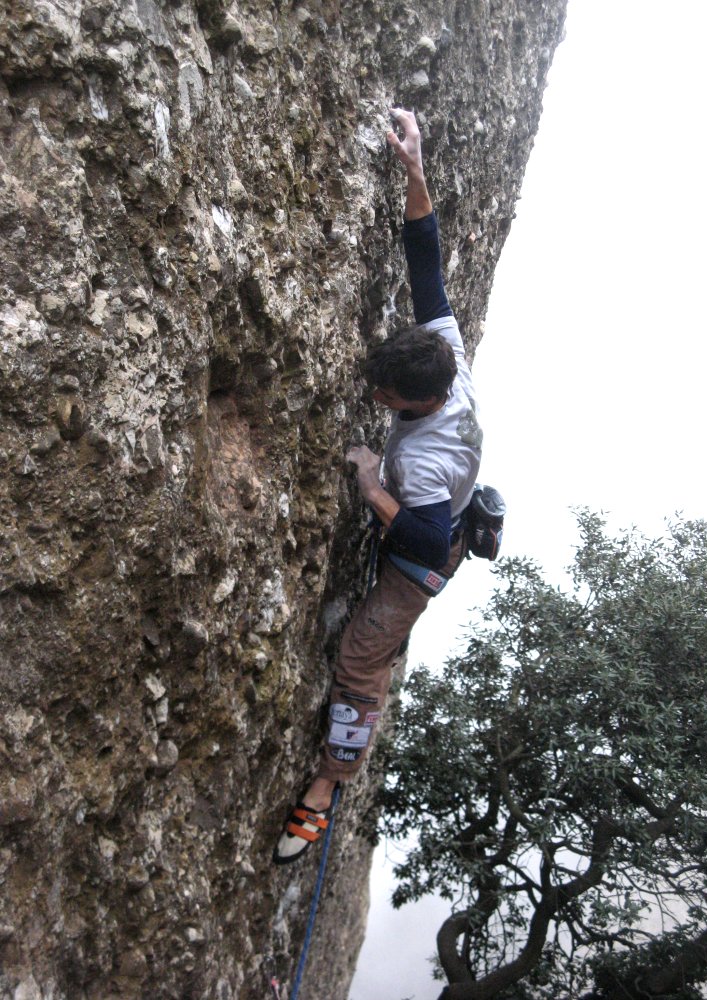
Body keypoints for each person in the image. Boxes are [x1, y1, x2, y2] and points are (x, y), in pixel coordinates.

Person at [273, 107, 483, 864]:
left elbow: (424, 540)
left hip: (421, 562)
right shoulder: (443, 352)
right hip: (436, 514)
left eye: (387, 402)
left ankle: (328, 785)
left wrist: (370, 481)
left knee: (362, 660)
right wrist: (415, 168)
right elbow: (425, 261)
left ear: (419, 403)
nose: (379, 405)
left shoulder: (423, 460)